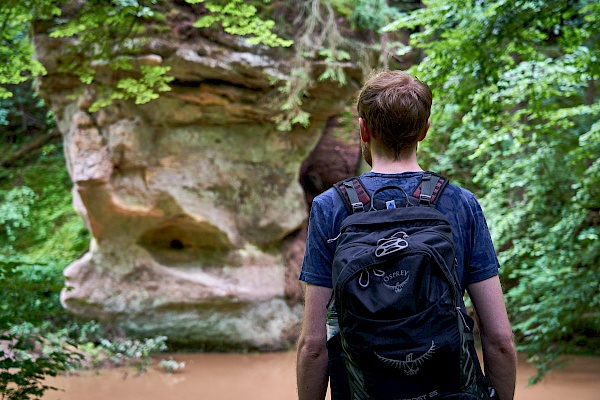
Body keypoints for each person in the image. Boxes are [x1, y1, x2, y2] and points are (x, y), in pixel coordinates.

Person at [296, 70, 517, 400]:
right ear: (424, 130)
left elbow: (313, 345)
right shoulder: (460, 203)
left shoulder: (330, 207)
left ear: (364, 130)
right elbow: (499, 339)